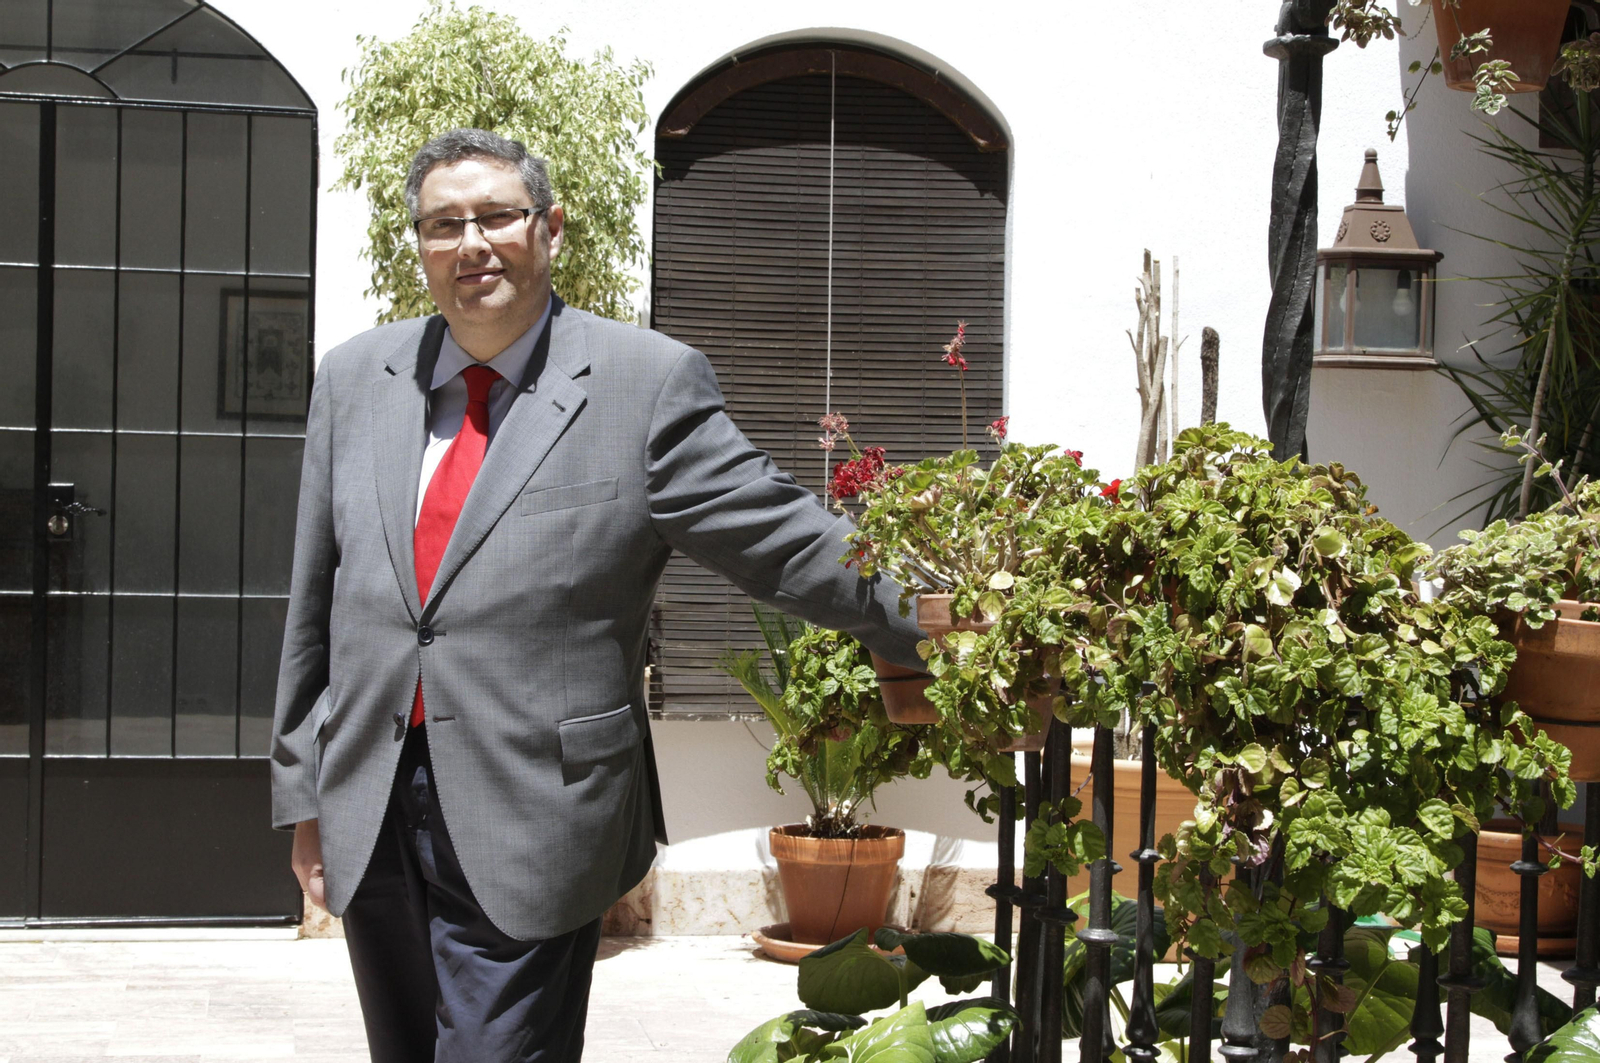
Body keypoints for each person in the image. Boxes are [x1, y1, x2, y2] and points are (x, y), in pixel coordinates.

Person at [268, 127, 926, 1063]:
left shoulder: (641, 383)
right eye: (443, 225)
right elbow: (317, 599)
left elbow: (783, 542)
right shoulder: (355, 380)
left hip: (538, 805)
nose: (472, 244)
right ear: (418, 245)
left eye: (496, 216)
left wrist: (947, 609)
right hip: (371, 798)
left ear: (550, 228)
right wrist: (304, 793)